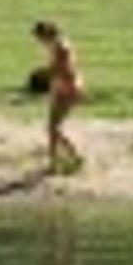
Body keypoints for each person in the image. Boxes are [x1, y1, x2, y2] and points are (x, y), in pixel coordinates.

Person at [30, 21, 83, 174]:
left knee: (54, 128)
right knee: (51, 128)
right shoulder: (55, 46)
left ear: (47, 34)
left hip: (69, 88)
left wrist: (45, 73)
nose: (39, 41)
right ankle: (54, 163)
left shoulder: (62, 47)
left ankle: (75, 157)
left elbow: (66, 69)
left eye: (40, 37)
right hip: (61, 88)